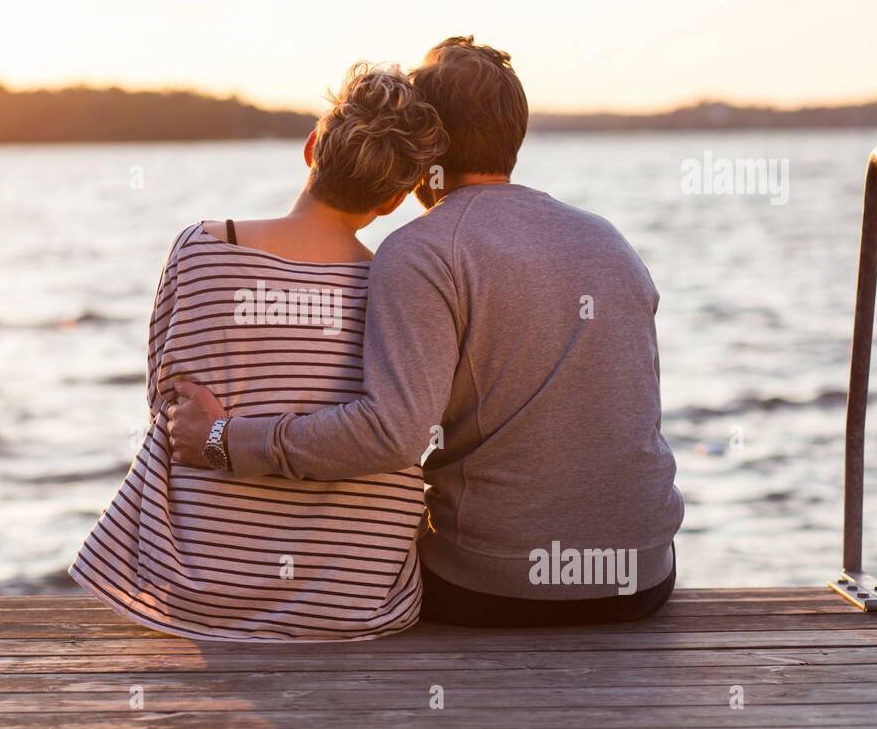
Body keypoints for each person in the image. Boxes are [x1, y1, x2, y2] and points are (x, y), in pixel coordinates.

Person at [170, 36, 684, 627]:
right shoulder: (608, 239)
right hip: (643, 578)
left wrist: (224, 440)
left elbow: (391, 434)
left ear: (426, 143)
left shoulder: (421, 250)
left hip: (496, 587)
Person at [69, 63, 449, 640]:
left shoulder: (201, 248)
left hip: (198, 593)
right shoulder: (392, 285)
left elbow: (164, 403)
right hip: (356, 601)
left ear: (312, 148)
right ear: (397, 200)